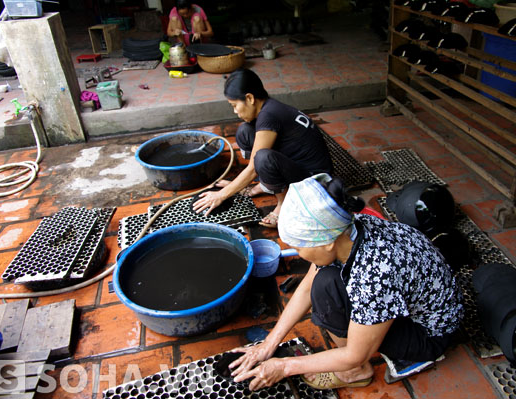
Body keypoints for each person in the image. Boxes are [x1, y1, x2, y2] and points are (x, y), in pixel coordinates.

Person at [226, 174, 464, 391]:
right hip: (411, 298)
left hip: (428, 333)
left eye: (299, 247)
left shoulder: (374, 275)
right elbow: (308, 284)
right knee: (323, 281)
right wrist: (269, 343)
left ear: (326, 244)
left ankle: (356, 373)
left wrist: (284, 366)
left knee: (327, 291)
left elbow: (355, 353)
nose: (298, 254)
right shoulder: (345, 227)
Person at [193, 69, 333, 228]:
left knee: (262, 158)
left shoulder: (269, 115)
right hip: (296, 165)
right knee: (245, 131)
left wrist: (221, 195)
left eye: (234, 105)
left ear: (249, 98)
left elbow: (254, 166)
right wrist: (239, 184)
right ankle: (265, 185)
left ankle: (284, 204)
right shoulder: (269, 108)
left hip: (317, 181)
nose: (235, 111)